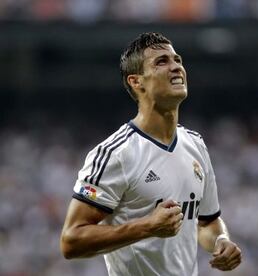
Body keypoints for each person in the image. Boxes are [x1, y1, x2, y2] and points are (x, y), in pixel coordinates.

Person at [60, 32, 242, 275]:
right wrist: (147, 226)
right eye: (161, 62)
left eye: (177, 60)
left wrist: (221, 241)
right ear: (136, 81)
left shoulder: (195, 144)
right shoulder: (115, 153)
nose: (176, 67)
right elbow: (71, 241)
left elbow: (207, 222)